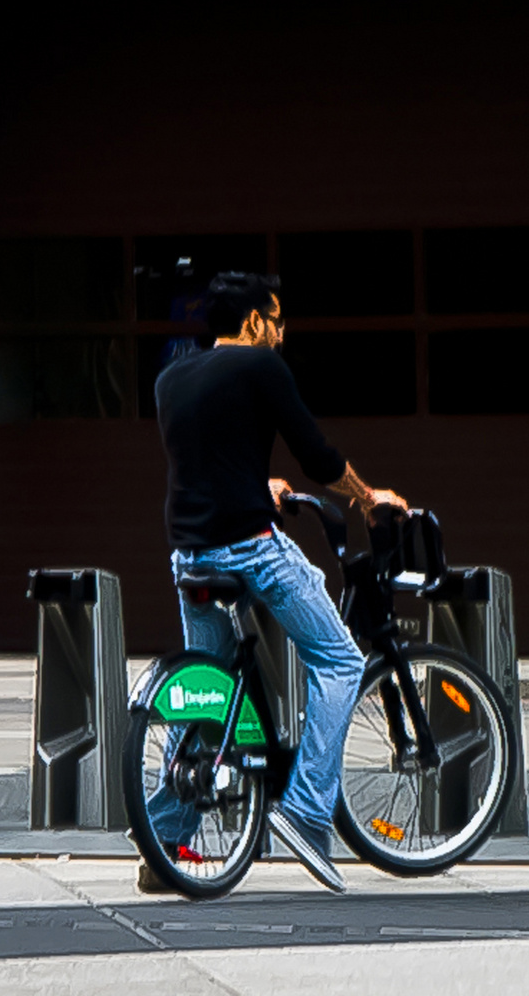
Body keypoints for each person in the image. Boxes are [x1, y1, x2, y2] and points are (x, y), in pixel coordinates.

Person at [141, 270, 407, 894]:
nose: (282, 333)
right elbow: (316, 455)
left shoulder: (171, 378)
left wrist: (259, 484)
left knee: (204, 694)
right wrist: (369, 497)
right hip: (250, 550)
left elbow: (205, 462)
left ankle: (162, 845)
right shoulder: (261, 368)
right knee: (340, 660)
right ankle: (307, 811)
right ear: (256, 322)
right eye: (278, 320)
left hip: (189, 555)